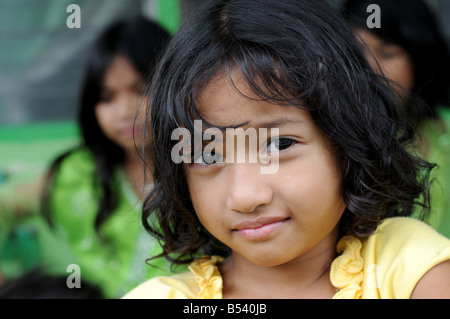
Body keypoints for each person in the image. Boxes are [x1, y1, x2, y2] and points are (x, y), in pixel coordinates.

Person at [123, 0, 450, 299]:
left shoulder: (409, 268)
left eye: (279, 144)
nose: (246, 196)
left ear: (348, 142)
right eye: (208, 155)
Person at [40, 16, 176, 298]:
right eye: (106, 97)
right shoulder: (79, 173)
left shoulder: (207, 167)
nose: (125, 111)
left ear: (176, 84)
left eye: (140, 90)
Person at [341, 0, 450, 238]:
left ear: (420, 58)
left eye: (387, 53)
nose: (370, 69)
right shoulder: (336, 139)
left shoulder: (446, 131)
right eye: (357, 55)